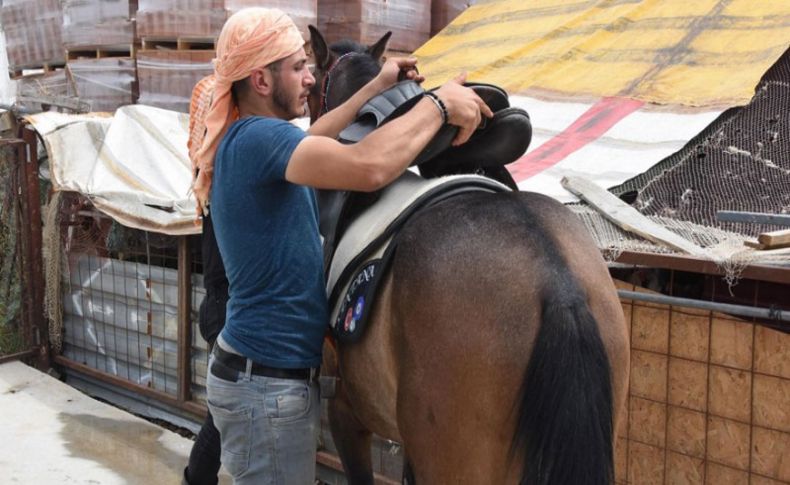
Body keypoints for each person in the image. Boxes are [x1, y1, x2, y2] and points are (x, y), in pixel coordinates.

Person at [196, 7, 491, 484]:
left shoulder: (249, 137)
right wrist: (436, 106)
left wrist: (376, 87)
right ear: (261, 80)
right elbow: (370, 166)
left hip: (259, 379)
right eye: (297, 67)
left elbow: (314, 136)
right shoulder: (261, 140)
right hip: (266, 390)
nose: (310, 78)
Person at [182, 75, 229, 485]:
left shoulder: (210, 179)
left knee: (222, 412)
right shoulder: (222, 178)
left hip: (219, 308)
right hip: (227, 311)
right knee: (222, 414)